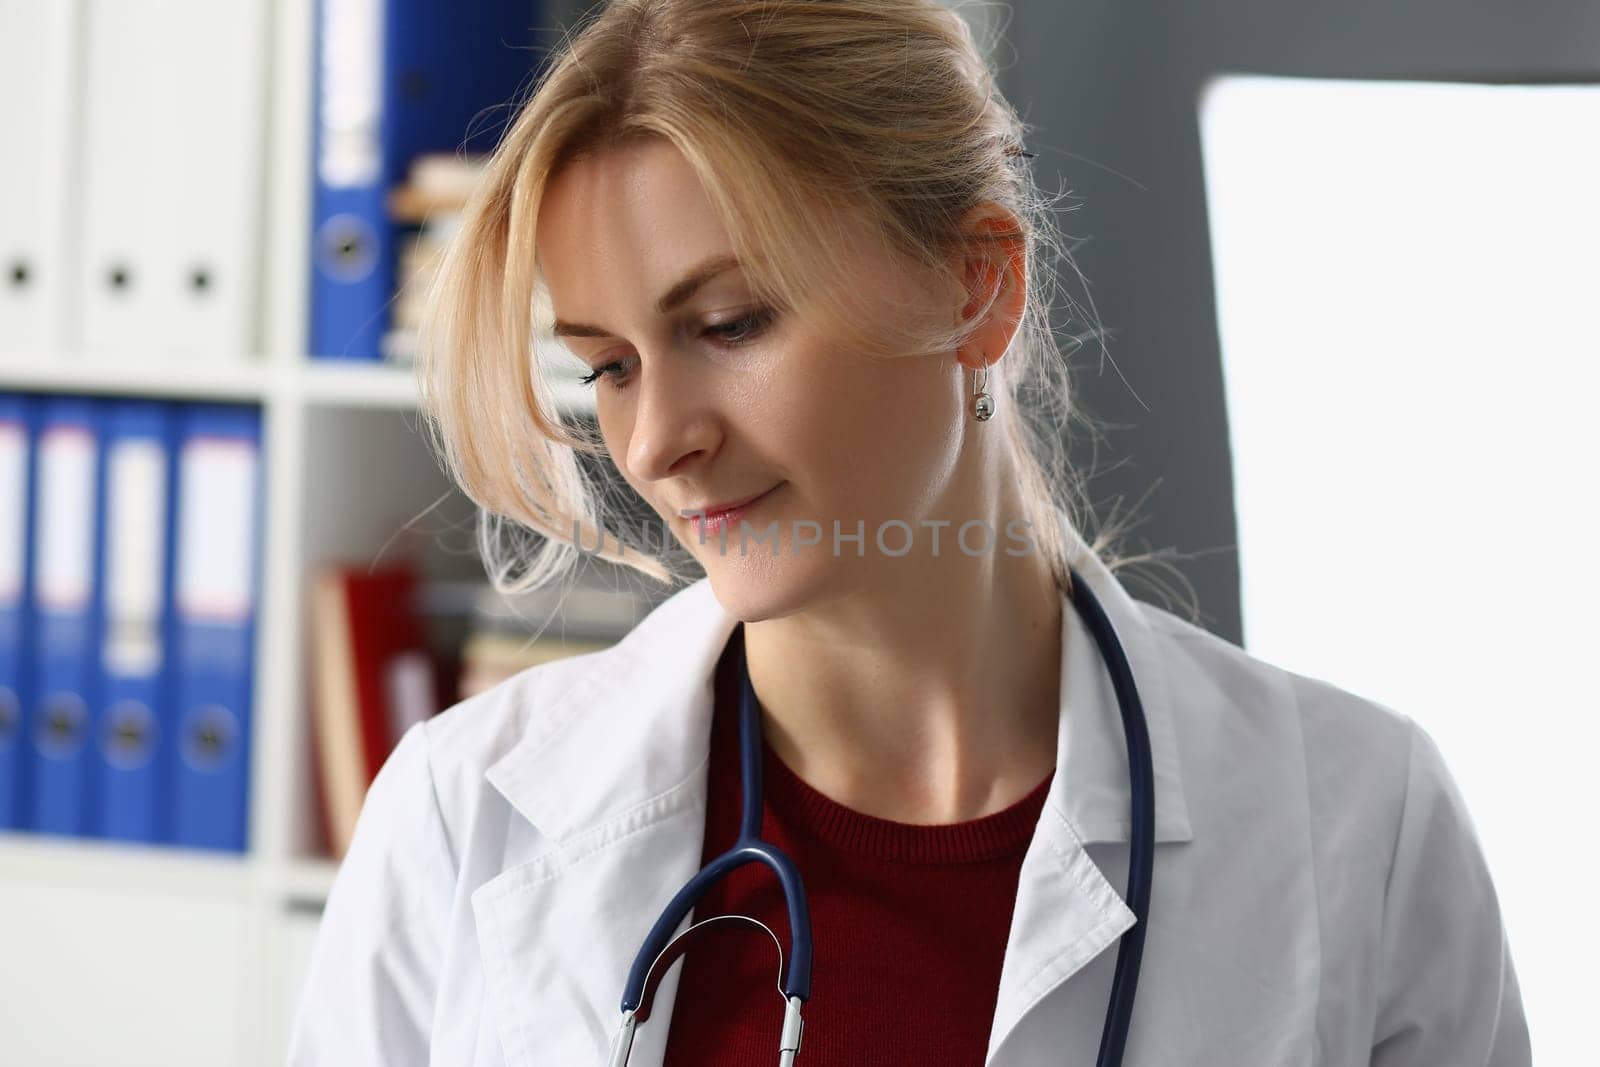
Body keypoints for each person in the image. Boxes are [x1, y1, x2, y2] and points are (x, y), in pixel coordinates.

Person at [287, 1, 1531, 1064]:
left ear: (975, 285)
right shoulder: (462, 816)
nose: (658, 439)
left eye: (729, 324)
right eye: (608, 365)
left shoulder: (1359, 821)